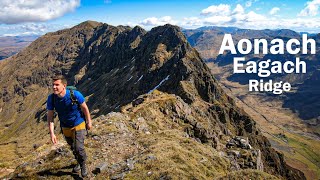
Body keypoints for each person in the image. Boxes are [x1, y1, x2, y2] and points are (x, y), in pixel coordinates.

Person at [47, 75, 92, 177]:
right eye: (53, 85)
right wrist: (52, 134)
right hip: (65, 126)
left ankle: (83, 164)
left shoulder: (75, 94)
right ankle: (79, 162)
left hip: (78, 123)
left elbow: (85, 108)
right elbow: (50, 117)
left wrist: (89, 121)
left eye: (57, 85)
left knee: (78, 147)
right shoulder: (52, 99)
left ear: (64, 85)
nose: (54, 87)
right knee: (72, 147)